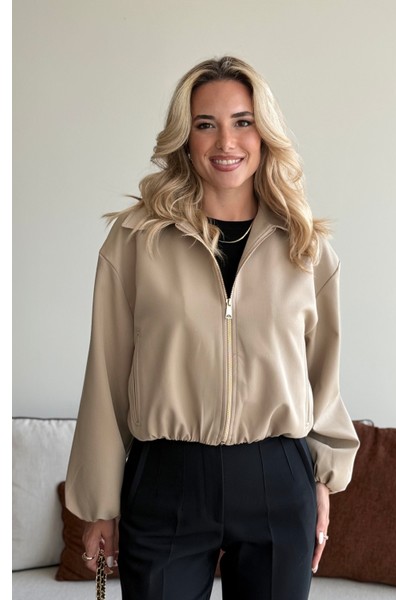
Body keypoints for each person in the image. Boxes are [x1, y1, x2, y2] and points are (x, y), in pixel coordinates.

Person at [65, 56, 360, 600]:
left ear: (264, 132)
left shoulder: (306, 247)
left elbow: (324, 376)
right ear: (186, 136)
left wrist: (324, 477)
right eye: (206, 124)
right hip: (167, 477)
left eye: (242, 121)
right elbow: (105, 377)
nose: (226, 141)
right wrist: (100, 504)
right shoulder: (136, 241)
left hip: (277, 477)